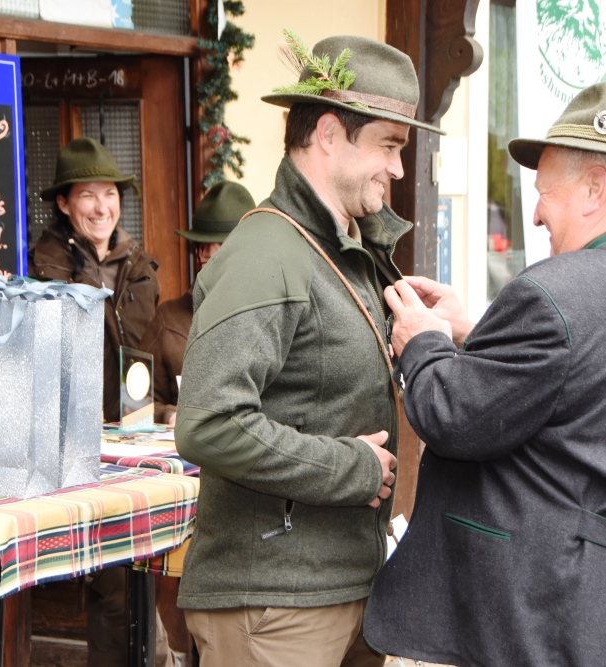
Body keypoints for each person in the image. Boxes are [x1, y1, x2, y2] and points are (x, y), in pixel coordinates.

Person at [363, 81, 606, 666]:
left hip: (572, 621)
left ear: (594, 188)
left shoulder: (553, 292)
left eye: (544, 194)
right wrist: (473, 331)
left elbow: (455, 419)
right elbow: (583, 383)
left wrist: (424, 344)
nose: (535, 214)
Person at [173, 33, 442, 667]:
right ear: (328, 133)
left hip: (343, 591)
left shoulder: (346, 249)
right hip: (272, 608)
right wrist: (351, 469)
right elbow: (208, 422)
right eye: (389, 146)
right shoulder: (267, 254)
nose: (399, 169)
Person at [28, 136, 165, 667]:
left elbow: (148, 352)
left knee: (140, 575)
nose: (102, 207)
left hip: (136, 440)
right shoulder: (46, 269)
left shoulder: (141, 266)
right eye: (88, 194)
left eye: (110, 193)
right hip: (78, 446)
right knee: (112, 584)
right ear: (65, 203)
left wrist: (161, 412)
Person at [148, 180, 255, 425]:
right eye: (202, 246)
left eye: (223, 246)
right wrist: (169, 415)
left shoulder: (275, 313)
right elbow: (132, 404)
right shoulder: (168, 320)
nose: (209, 255)